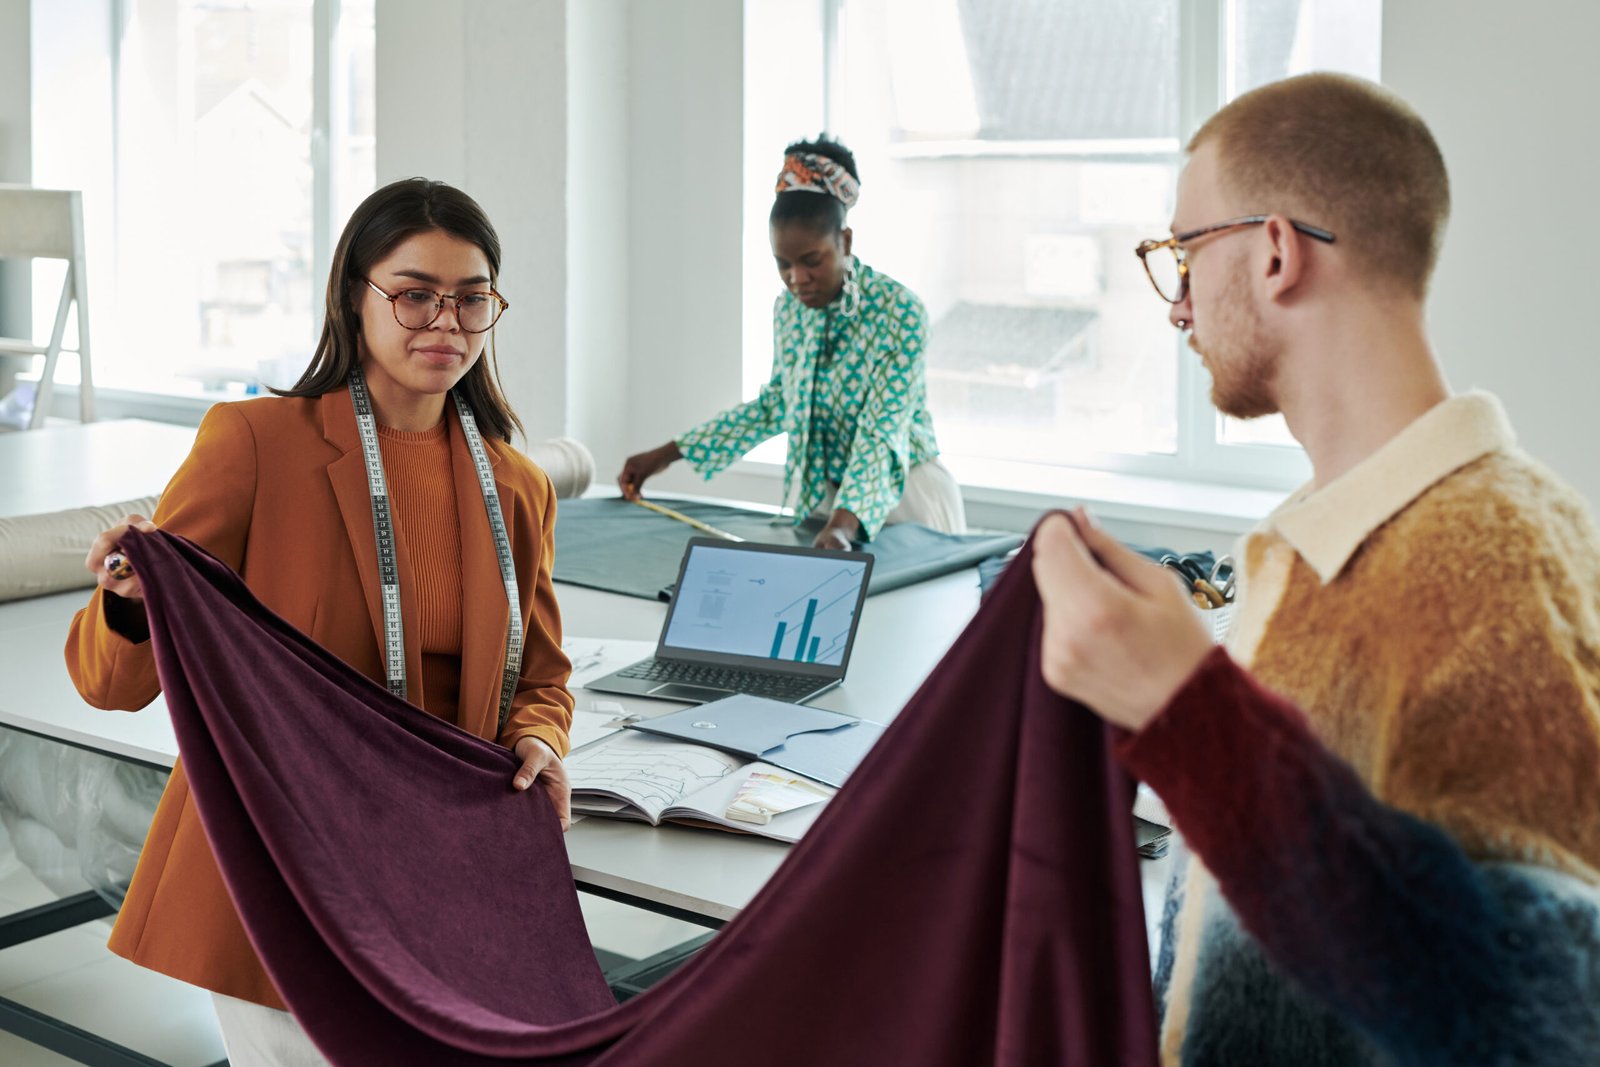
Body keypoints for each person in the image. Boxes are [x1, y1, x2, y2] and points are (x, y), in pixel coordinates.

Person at [1031, 74, 1600, 1063]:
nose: (1176, 307)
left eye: (1183, 253)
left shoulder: (1501, 563)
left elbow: (1539, 1027)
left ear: (1274, 250)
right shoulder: (1311, 537)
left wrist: (1189, 716)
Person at [64, 178, 575, 1064]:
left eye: (471, 298)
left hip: (436, 867)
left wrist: (540, 735)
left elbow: (541, 672)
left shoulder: (517, 486)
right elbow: (113, 684)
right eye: (414, 294)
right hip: (283, 860)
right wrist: (129, 599)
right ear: (354, 297)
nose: (444, 322)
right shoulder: (257, 443)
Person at [617, 136, 964, 550]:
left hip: (905, 500)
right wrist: (665, 455)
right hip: (827, 509)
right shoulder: (789, 310)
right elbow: (777, 405)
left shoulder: (899, 312)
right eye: (783, 264)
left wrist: (841, 527)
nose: (797, 278)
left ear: (845, 242)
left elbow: (881, 435)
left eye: (812, 261)